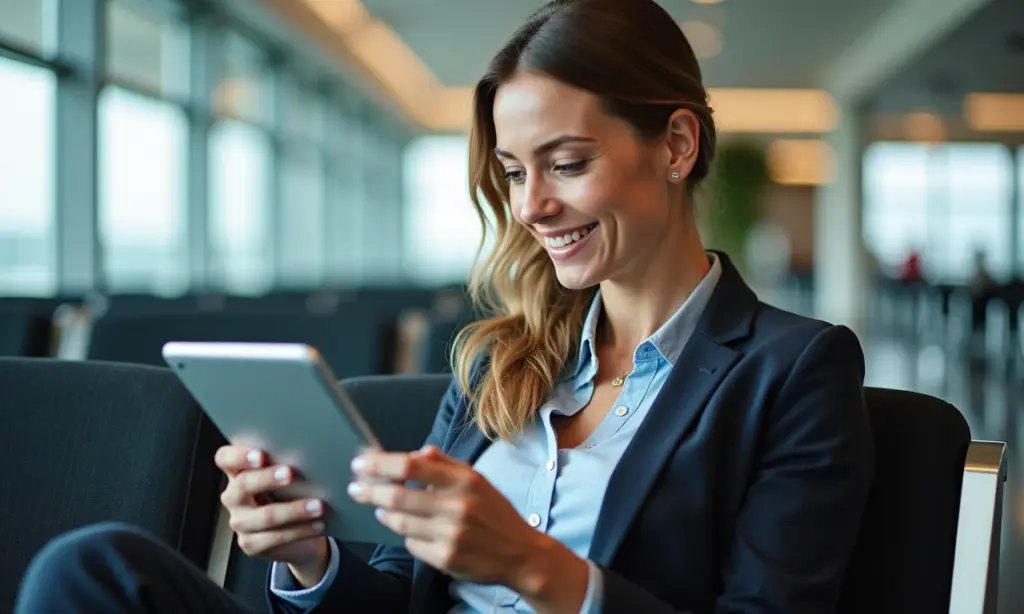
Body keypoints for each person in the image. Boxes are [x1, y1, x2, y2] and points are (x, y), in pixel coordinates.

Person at [14, 0, 874, 613]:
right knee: (95, 567)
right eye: (512, 173)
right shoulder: (499, 358)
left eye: (566, 163)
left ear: (677, 145)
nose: (531, 206)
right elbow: (397, 590)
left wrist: (535, 567)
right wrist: (310, 559)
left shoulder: (792, 369)